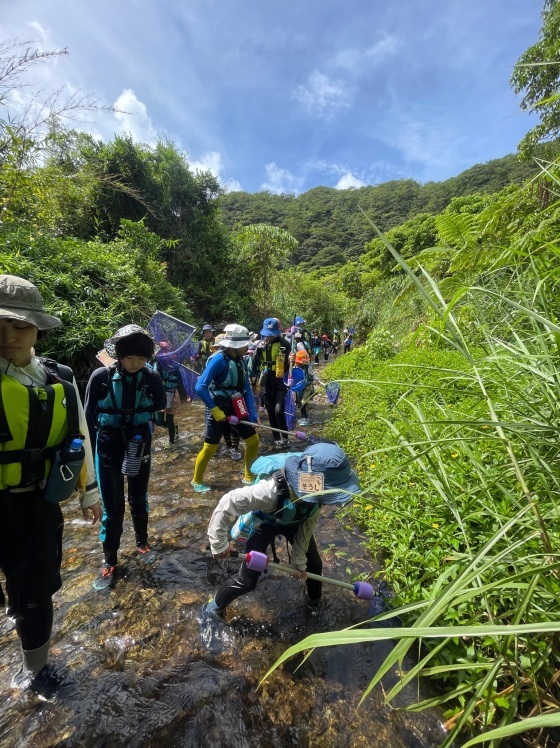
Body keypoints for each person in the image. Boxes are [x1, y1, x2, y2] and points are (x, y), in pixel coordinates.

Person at [0, 275, 101, 692]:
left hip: (40, 504)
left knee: (38, 590)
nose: (8, 335)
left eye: (19, 325)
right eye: (0, 325)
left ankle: (35, 669)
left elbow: (79, 435)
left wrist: (89, 491)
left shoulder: (58, 379)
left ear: (37, 328)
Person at [204, 443, 361, 618]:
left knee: (314, 566)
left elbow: (309, 523)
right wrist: (218, 543)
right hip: (264, 523)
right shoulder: (269, 492)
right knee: (248, 580)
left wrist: (298, 562)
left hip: (296, 520)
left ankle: (313, 605)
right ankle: (212, 609)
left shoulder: (317, 494)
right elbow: (228, 502)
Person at [84, 325, 166, 590]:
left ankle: (142, 543)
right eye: (130, 359)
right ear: (119, 355)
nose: (135, 364)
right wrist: (88, 462)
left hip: (139, 441)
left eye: (141, 360)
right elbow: (87, 417)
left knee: (138, 497)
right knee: (113, 505)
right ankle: (110, 560)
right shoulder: (101, 377)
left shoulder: (151, 376)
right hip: (108, 443)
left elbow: (159, 403)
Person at [191, 324, 260, 493]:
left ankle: (248, 476)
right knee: (210, 447)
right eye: (245, 345)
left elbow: (247, 389)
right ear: (235, 346)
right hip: (218, 406)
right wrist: (214, 409)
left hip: (236, 404)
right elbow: (200, 386)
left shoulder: (241, 361)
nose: (247, 347)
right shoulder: (218, 360)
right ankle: (196, 480)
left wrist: (252, 413)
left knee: (253, 440)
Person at [252, 318, 291, 448]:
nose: (270, 336)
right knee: (270, 410)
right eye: (268, 333)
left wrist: (292, 359)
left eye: (272, 333)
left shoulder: (285, 344)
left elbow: (291, 364)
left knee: (278, 410)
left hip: (281, 381)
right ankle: (276, 437)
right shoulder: (260, 346)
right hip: (266, 381)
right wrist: (257, 379)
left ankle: (285, 437)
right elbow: (254, 365)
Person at [153, 341, 182, 446]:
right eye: (162, 350)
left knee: (169, 418)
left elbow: (180, 379)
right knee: (158, 421)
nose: (164, 353)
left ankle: (171, 442)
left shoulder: (174, 365)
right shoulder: (155, 364)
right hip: (159, 393)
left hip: (172, 392)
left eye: (166, 350)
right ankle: (174, 428)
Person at [292, 349, 320, 426]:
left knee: (303, 401)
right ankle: (302, 414)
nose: (299, 364)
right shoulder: (293, 367)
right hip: (298, 387)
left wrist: (318, 380)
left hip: (307, 385)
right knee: (298, 401)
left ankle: (304, 416)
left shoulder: (308, 367)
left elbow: (312, 375)